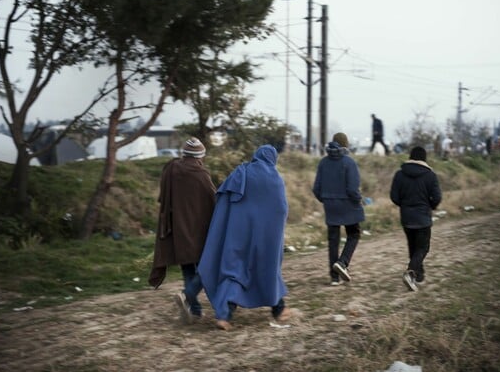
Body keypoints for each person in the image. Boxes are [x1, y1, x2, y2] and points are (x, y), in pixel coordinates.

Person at [197, 145, 290, 330]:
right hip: (265, 237)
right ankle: (279, 310)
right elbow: (281, 209)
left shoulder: (241, 172)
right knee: (267, 270)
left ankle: (224, 315)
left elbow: (222, 197)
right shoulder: (275, 179)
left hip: (238, 234)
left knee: (234, 272)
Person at [147, 137, 216, 323]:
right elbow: (213, 200)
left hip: (177, 228)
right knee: (208, 267)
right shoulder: (201, 175)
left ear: (184, 154)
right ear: (200, 156)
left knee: (188, 268)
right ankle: (188, 294)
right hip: (199, 231)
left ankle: (195, 312)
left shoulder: (171, 169)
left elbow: (163, 196)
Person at [313, 133, 365, 286]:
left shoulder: (323, 163)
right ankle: (342, 263)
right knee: (354, 234)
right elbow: (353, 189)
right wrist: (358, 200)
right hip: (348, 205)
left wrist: (326, 199)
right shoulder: (349, 163)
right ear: (345, 145)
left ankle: (334, 278)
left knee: (333, 240)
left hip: (330, 205)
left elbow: (316, 188)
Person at [389, 146, 442, 292]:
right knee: (423, 247)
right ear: (424, 158)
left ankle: (419, 275)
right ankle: (411, 271)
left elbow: (394, 197)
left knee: (413, 247)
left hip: (406, 217)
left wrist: (404, 205)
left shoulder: (399, 174)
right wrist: (430, 206)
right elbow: (437, 197)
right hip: (423, 217)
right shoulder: (430, 175)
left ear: (410, 157)